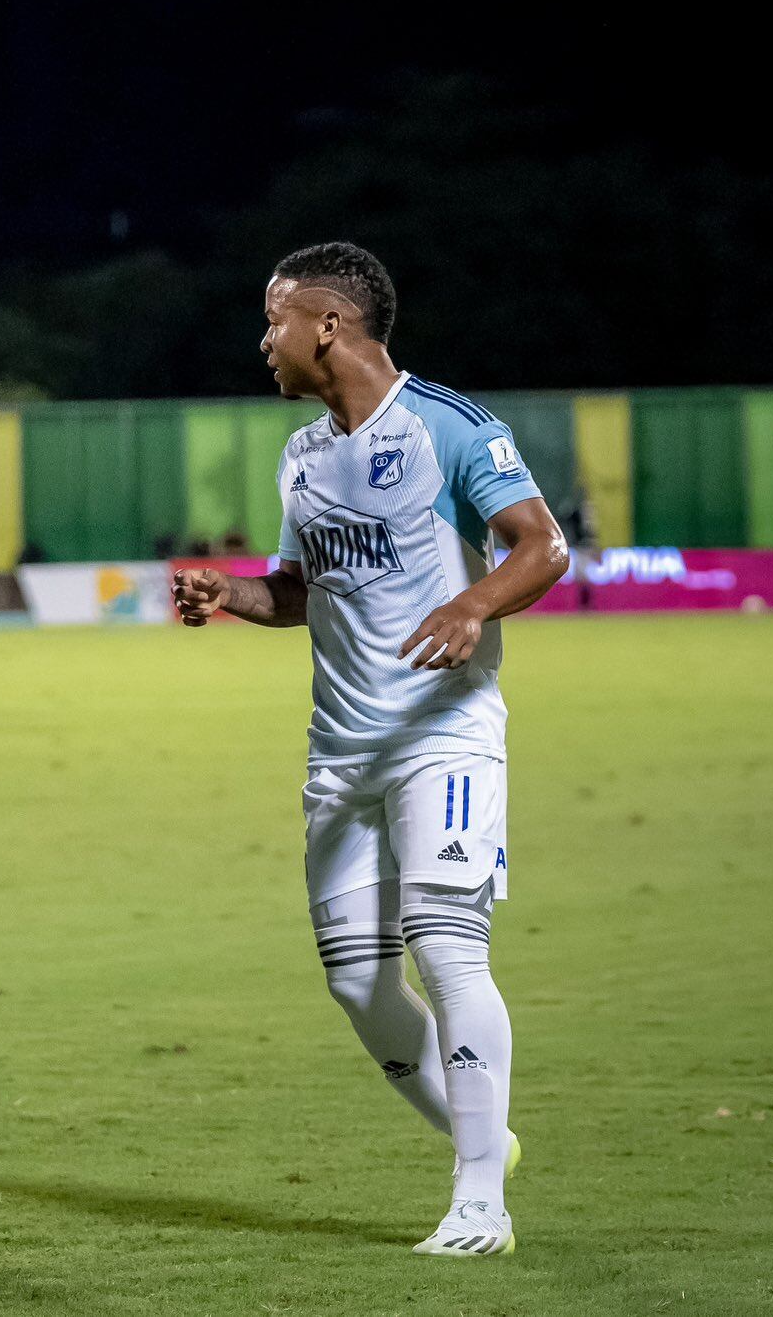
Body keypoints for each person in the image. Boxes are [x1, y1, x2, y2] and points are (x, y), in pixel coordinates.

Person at [172, 243, 568, 1258]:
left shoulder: (446, 425)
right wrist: (229, 597)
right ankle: (485, 1136)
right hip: (339, 752)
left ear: (326, 326)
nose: (262, 340)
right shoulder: (300, 456)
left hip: (440, 733)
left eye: (272, 321)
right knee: (356, 981)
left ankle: (479, 1199)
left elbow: (539, 544)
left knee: (444, 943)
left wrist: (472, 603)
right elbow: (300, 590)